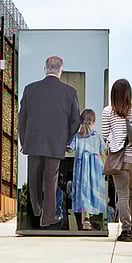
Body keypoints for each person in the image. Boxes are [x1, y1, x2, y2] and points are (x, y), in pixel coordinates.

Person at [18, 56, 82, 228]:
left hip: (33, 141)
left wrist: (24, 140)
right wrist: (66, 140)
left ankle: (37, 210)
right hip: (56, 144)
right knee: (50, 180)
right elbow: (76, 120)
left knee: (34, 177)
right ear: (61, 70)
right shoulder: (70, 92)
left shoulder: (30, 89)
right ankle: (48, 217)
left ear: (45, 68)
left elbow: (22, 118)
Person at [102, 79, 132, 242]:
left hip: (118, 156)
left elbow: (105, 135)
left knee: (122, 194)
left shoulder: (107, 111)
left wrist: (113, 144)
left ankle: (126, 230)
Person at [69, 109, 107, 231]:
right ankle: (93, 219)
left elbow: (70, 149)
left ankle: (85, 219)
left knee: (83, 192)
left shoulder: (77, 136)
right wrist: (107, 170)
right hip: (95, 167)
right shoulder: (97, 136)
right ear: (94, 121)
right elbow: (103, 154)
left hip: (81, 168)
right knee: (94, 192)